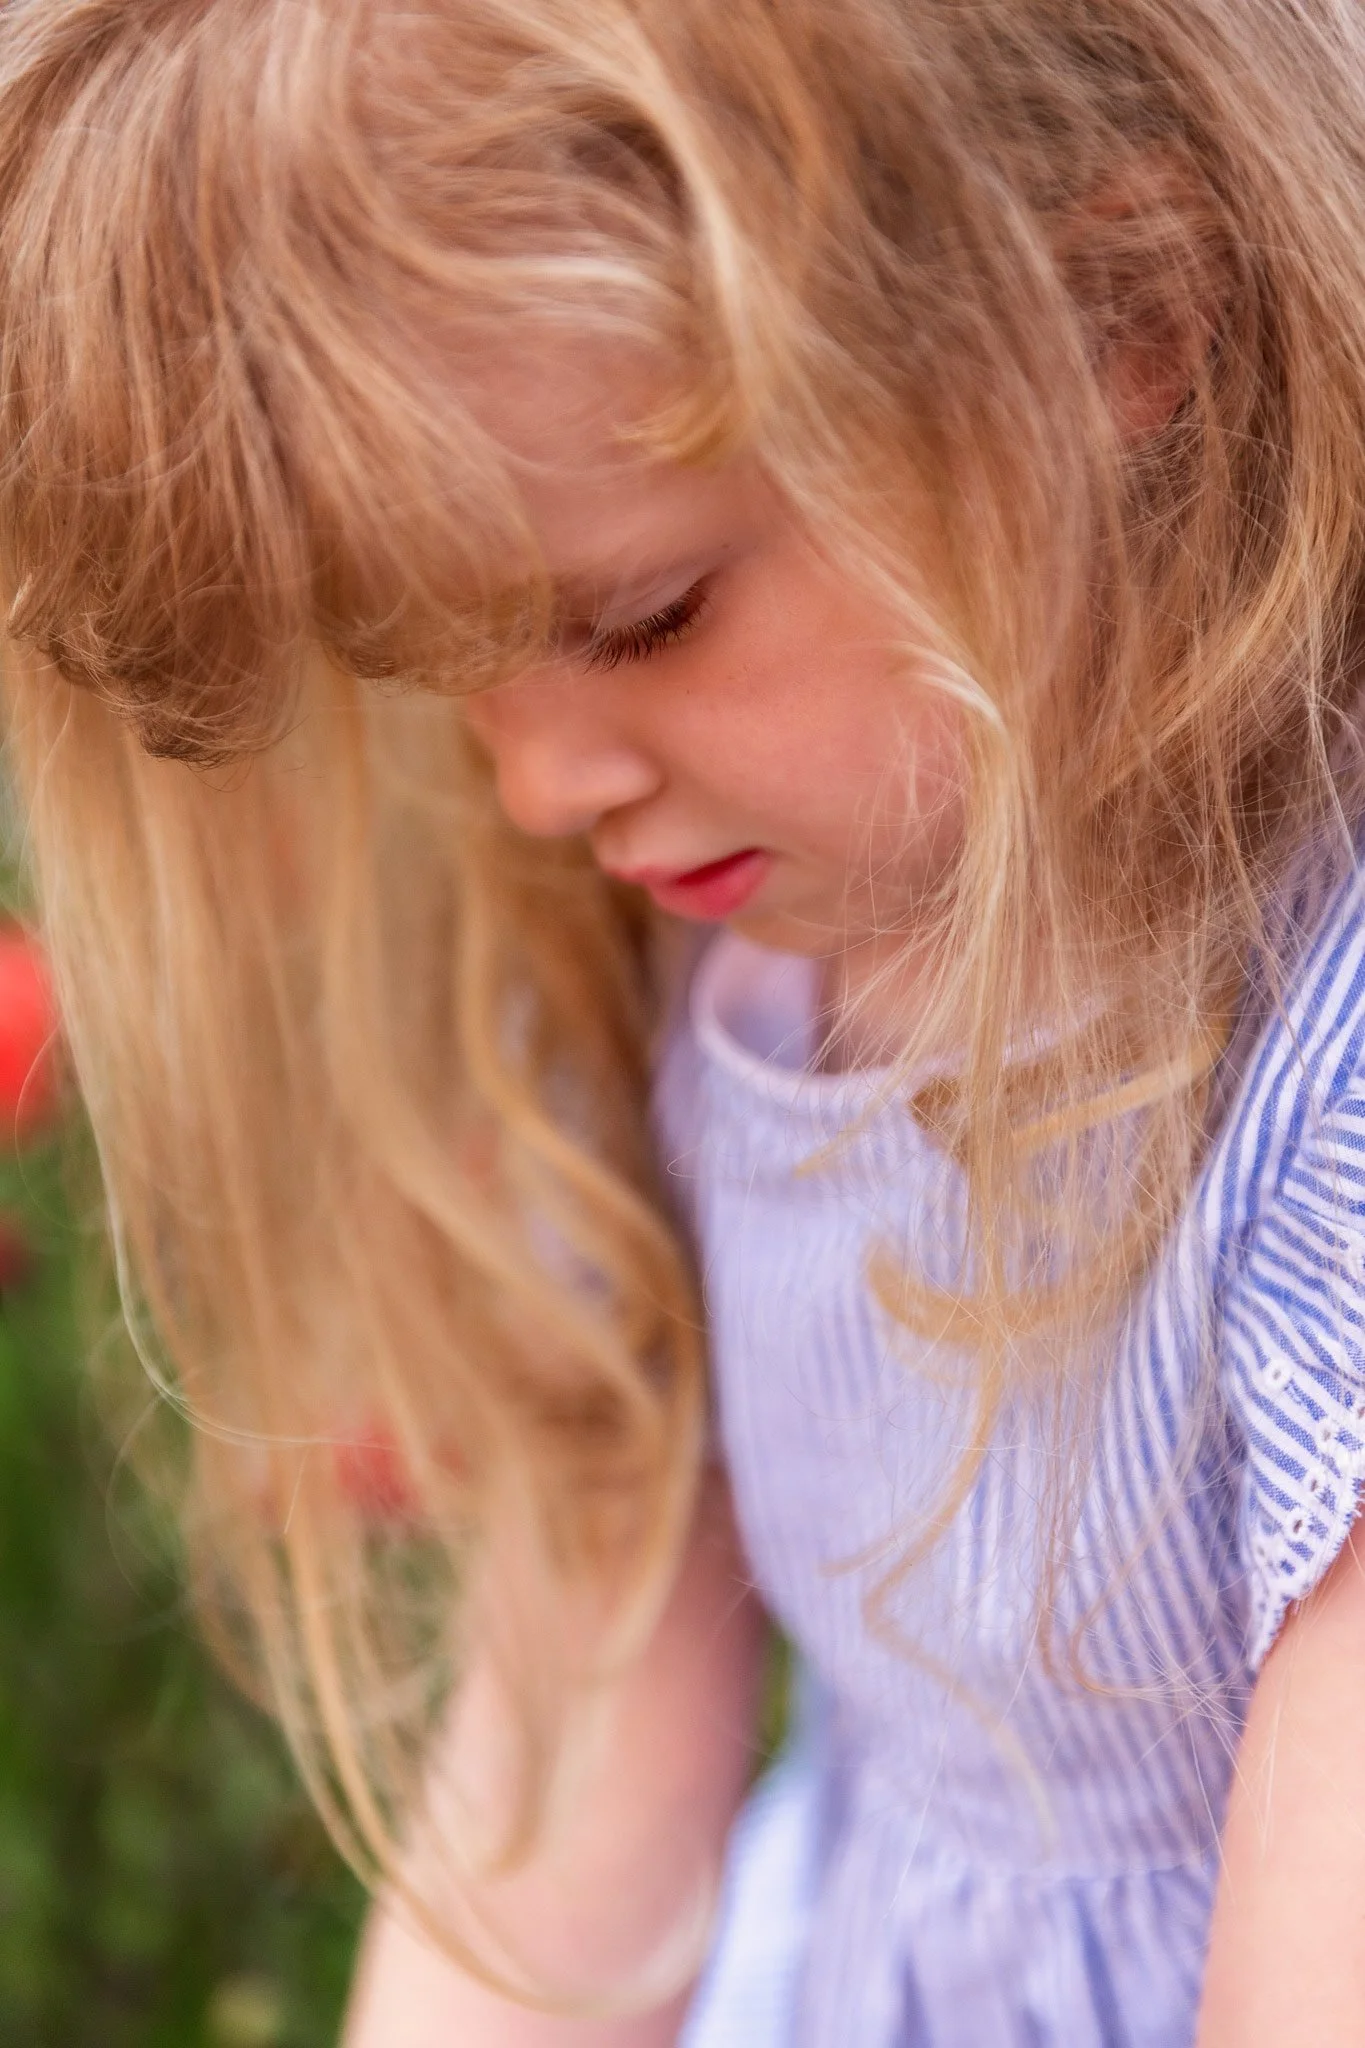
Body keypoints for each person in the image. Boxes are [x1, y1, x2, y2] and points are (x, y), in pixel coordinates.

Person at [2, 0, 1365, 2040]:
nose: (543, 786)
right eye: (447, 668)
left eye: (645, 616)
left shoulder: (1310, 1099)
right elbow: (559, 1845)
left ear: (1121, 322)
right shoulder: (692, 972)